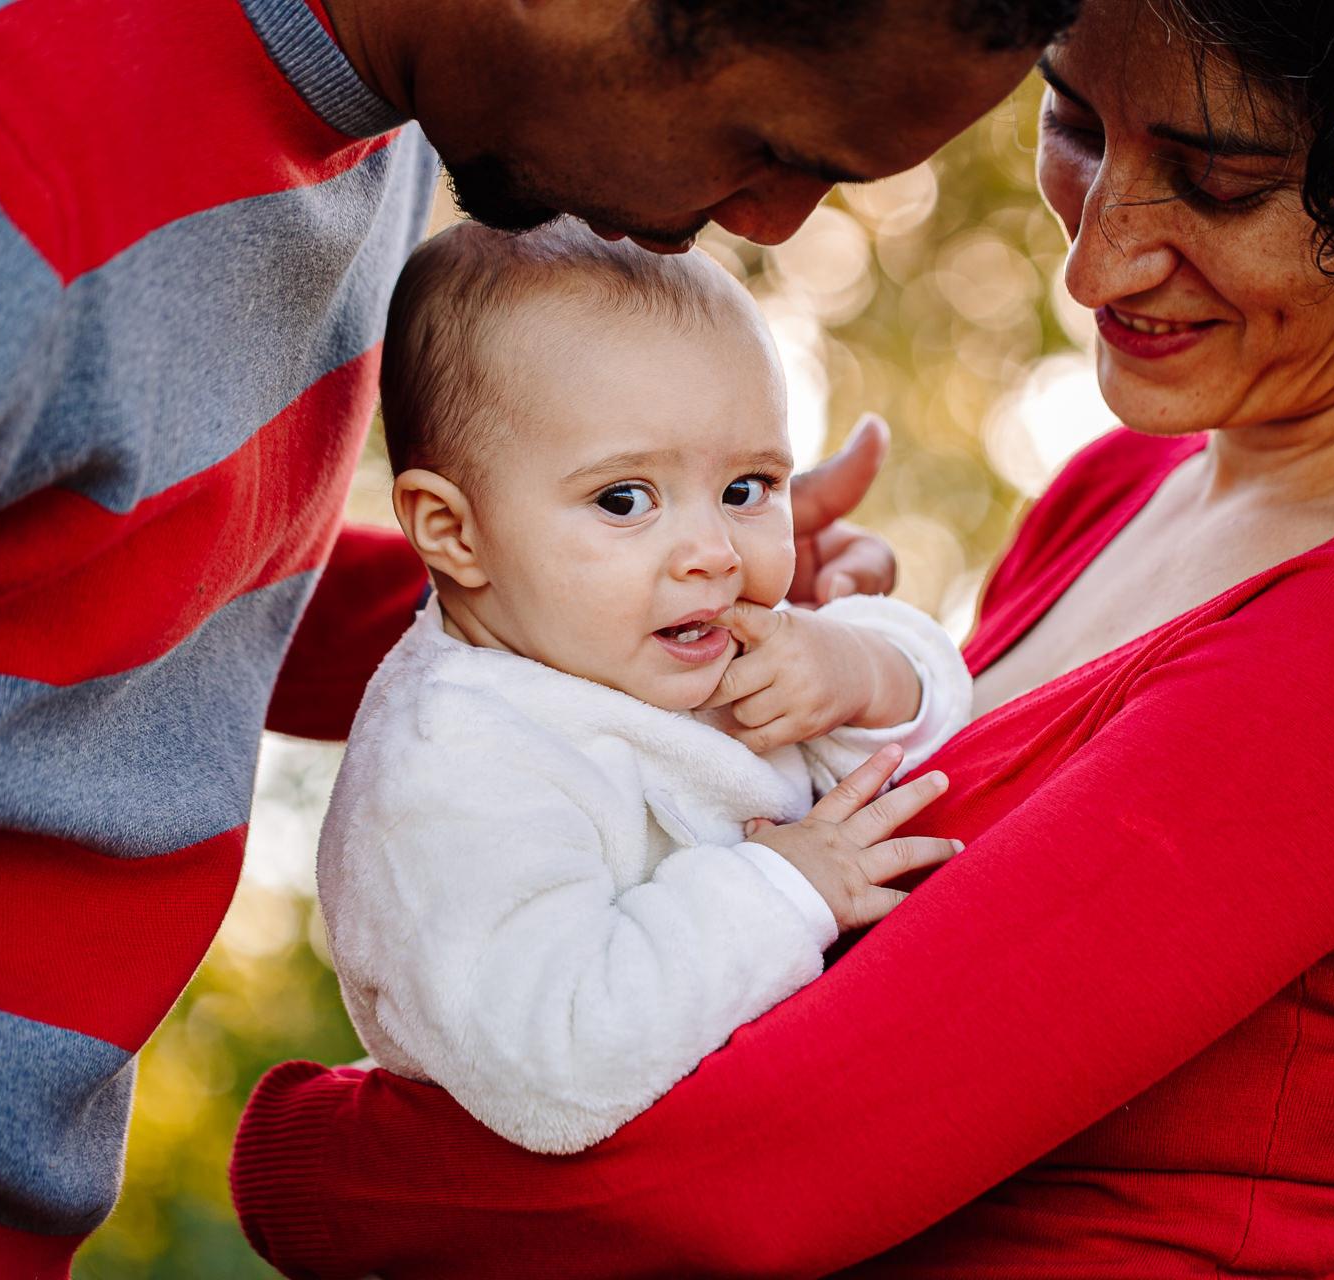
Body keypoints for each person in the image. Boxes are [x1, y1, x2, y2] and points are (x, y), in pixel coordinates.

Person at [229, 0, 1334, 1274]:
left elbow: (749, 1181)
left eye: (1211, 177)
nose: (1098, 259)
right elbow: (597, 721)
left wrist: (304, 1157)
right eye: (1078, 124)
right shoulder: (1132, 479)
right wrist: (721, 607)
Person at [0, 0, 1078, 1270]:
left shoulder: (416, 113)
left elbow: (114, 550)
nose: (767, 224)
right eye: (773, 144)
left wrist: (612, 594)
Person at [322, 217, 972, 1155]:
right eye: (625, 499)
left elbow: (942, 742)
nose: (713, 551)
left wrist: (859, 672)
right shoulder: (454, 771)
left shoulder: (656, 646)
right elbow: (557, 1061)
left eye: (747, 488)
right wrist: (783, 888)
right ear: (454, 533)